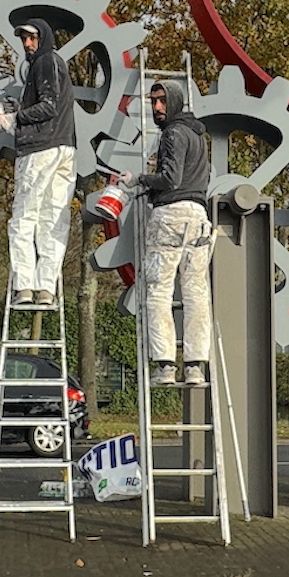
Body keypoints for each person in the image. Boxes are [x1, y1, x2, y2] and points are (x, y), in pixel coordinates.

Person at [117, 80, 212, 386]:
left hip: (170, 217)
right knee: (196, 292)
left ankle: (165, 364)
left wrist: (139, 180)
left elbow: (170, 179)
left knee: (158, 291)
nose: (156, 107)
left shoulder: (172, 133)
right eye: (153, 101)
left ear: (173, 102)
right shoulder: (198, 135)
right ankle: (196, 365)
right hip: (198, 218)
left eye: (161, 101)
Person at [0, 18, 76, 308]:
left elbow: (48, 106)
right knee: (53, 219)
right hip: (65, 147)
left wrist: (15, 118)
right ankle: (46, 288)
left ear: (43, 38)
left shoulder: (44, 62)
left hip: (40, 149)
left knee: (23, 219)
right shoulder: (55, 63)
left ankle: (24, 286)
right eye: (24, 39)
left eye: (32, 38)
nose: (28, 45)